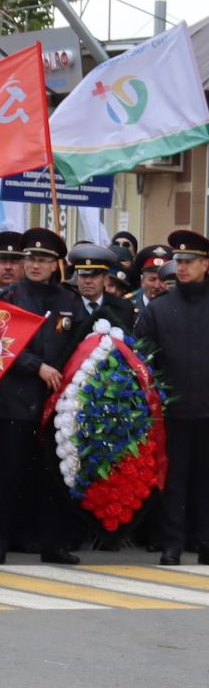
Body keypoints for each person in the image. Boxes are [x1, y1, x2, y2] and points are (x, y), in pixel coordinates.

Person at [0, 227, 84, 565]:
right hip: (15, 400)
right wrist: (37, 366)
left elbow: (79, 344)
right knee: (6, 476)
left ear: (56, 264)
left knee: (52, 477)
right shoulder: (8, 298)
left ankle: (51, 544)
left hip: (56, 403)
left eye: (42, 260)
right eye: (30, 259)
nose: (35, 265)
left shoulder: (69, 301)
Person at [134, 230, 209, 565]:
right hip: (173, 411)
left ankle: (204, 540)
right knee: (173, 480)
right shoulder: (160, 309)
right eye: (178, 262)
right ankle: (172, 544)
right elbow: (142, 358)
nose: (181, 267)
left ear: (205, 265)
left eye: (189, 262)